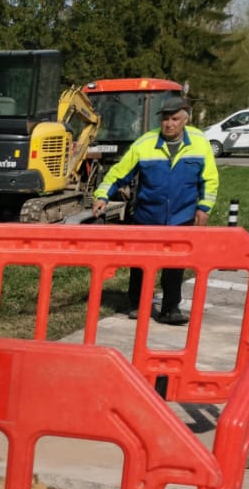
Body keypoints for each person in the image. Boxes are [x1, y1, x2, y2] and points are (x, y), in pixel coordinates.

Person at [92, 96, 219, 326]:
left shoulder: (200, 143)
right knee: (141, 263)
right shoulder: (145, 143)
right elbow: (118, 173)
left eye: (175, 119)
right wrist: (102, 196)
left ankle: (171, 309)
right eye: (165, 119)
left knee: (175, 265)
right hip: (148, 215)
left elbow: (209, 179)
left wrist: (204, 207)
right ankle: (138, 305)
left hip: (182, 215)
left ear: (185, 120)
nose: (169, 124)